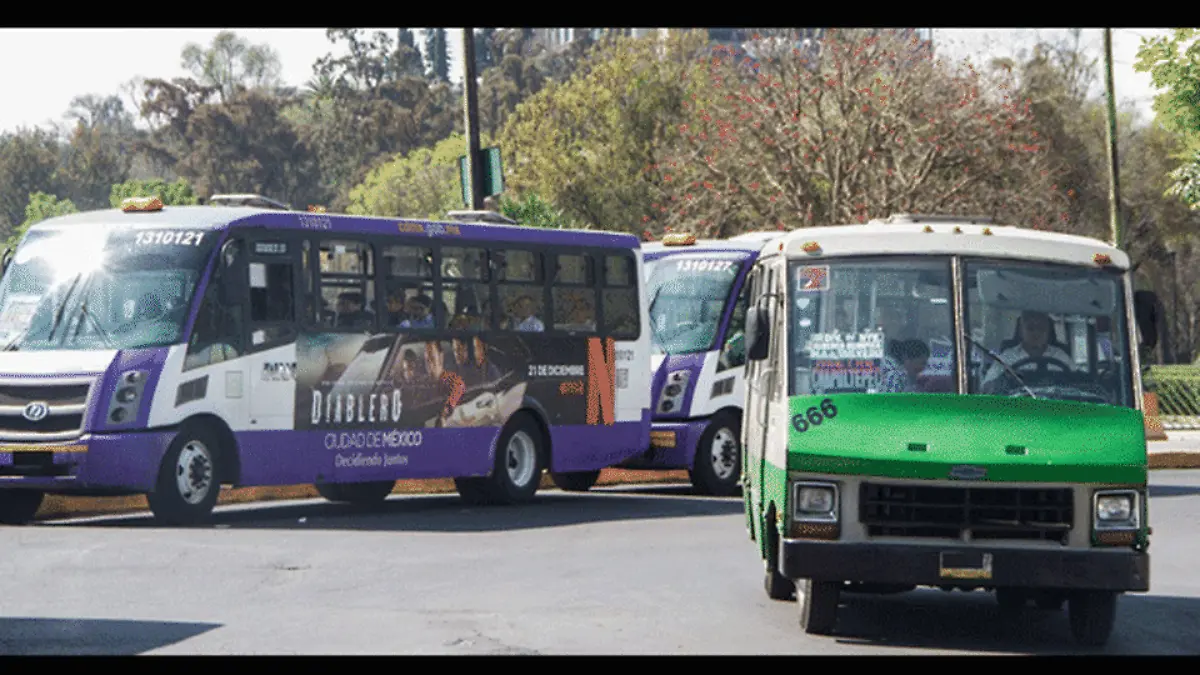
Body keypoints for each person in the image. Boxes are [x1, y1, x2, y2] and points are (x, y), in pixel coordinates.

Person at [981, 310, 1075, 389]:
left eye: (1041, 328)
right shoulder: (1007, 358)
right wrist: (1004, 380)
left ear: (1048, 331)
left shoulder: (1062, 357)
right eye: (1030, 328)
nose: (1036, 333)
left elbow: (1078, 384)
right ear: (1021, 331)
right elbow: (987, 387)